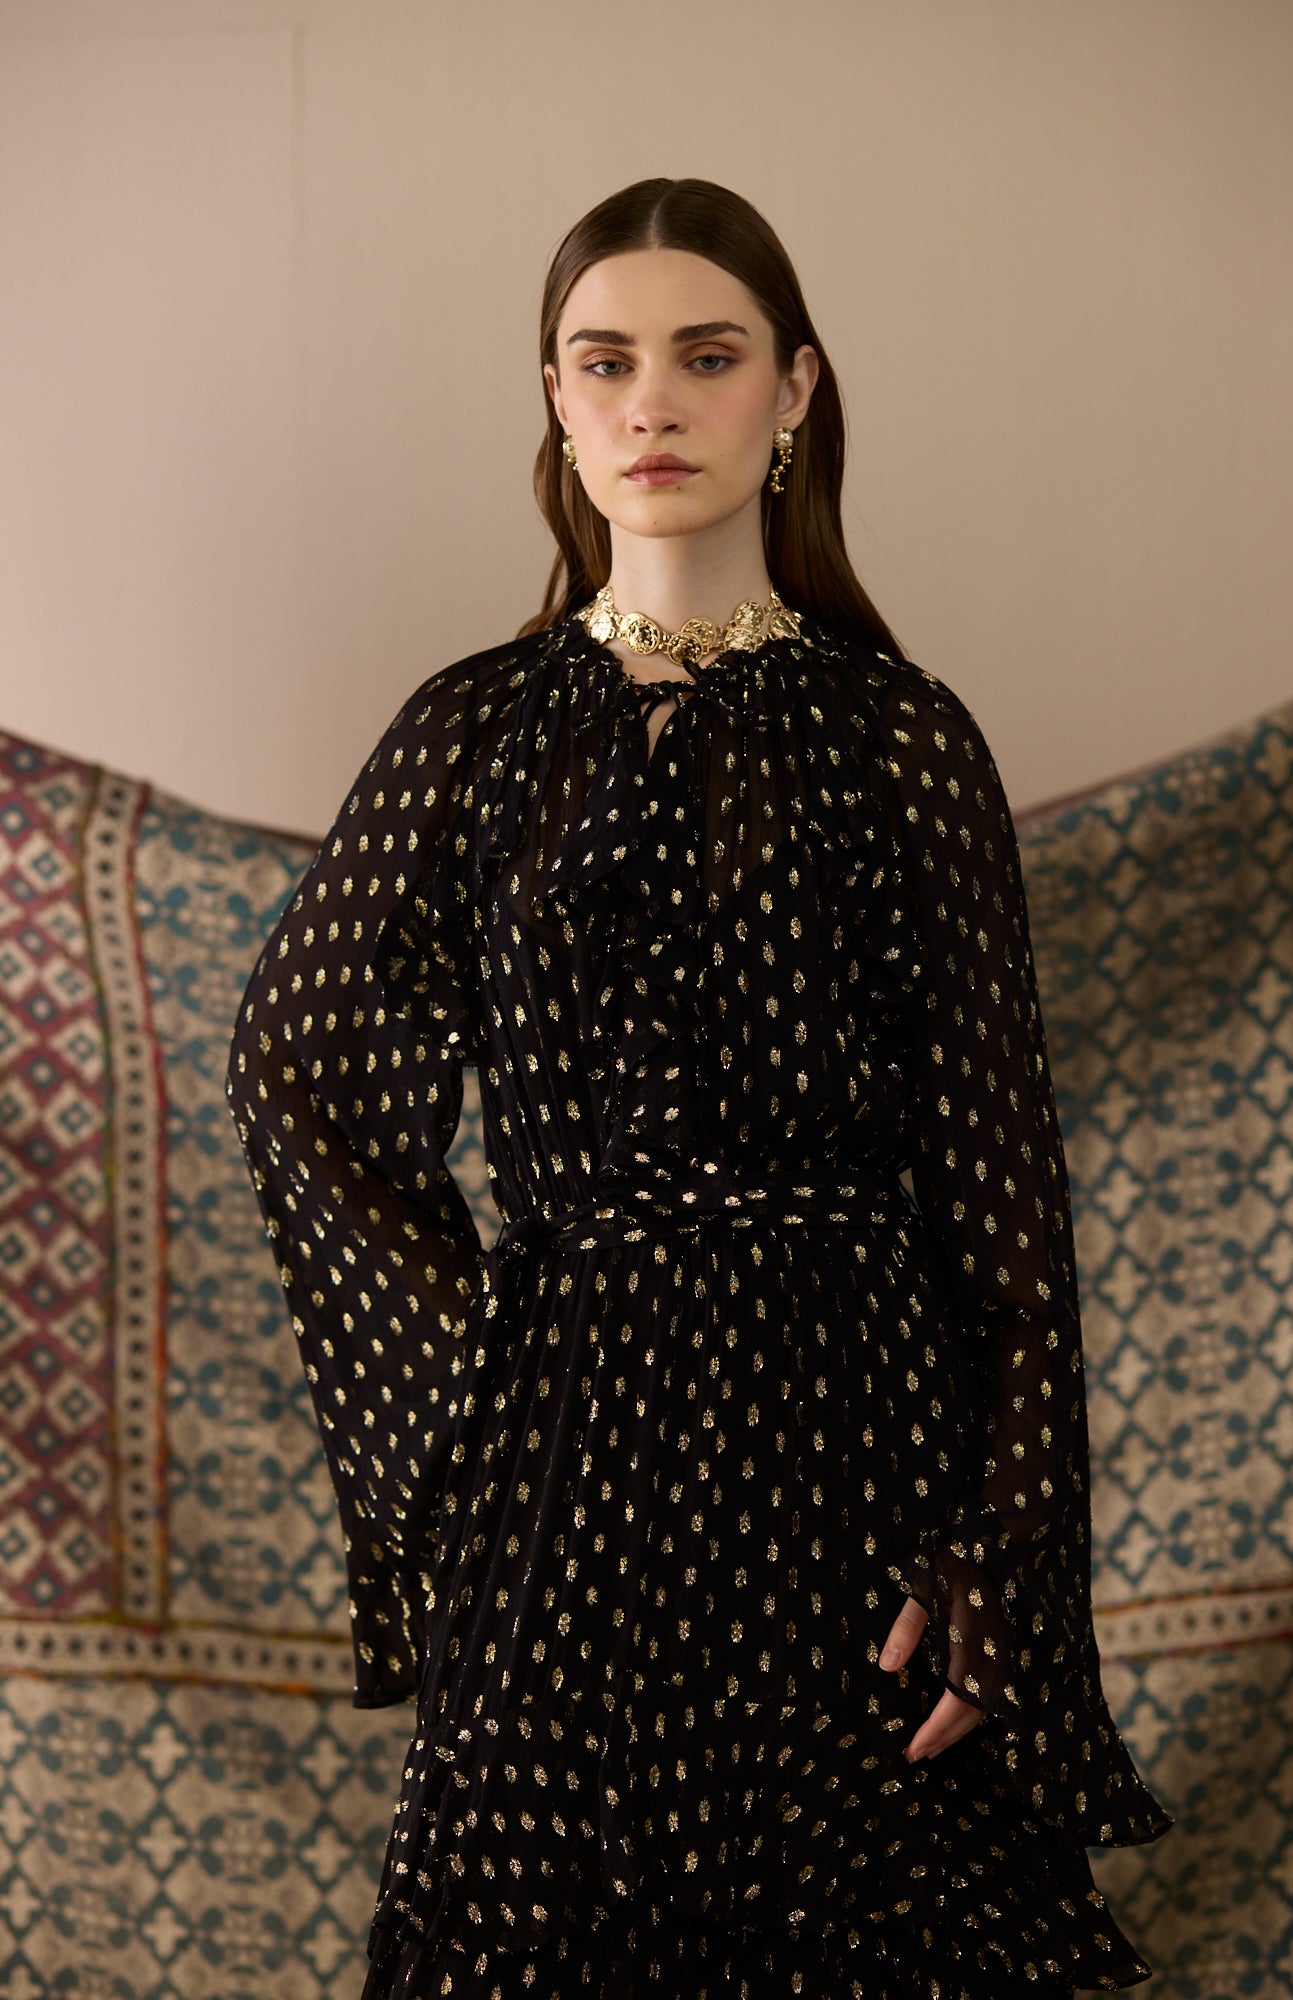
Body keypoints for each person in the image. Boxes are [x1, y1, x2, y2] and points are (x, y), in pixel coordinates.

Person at [226, 177, 1172, 2000]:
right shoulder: (474, 731)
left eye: (706, 356)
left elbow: (1000, 1198)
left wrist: (1000, 1549)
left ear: (792, 390)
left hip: (854, 1434)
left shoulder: (899, 737)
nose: (652, 400)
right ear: (557, 404)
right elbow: (302, 1066)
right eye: (604, 362)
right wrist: (469, 1386)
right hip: (571, 1432)